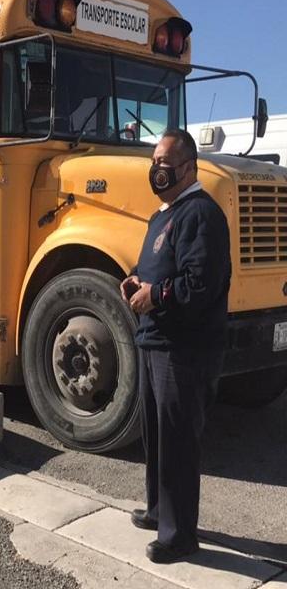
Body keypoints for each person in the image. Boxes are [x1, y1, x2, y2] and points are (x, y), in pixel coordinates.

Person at [121, 129, 231, 564]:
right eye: (154, 162)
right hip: (155, 341)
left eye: (165, 163)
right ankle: (157, 513)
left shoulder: (201, 215)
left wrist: (155, 296)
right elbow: (154, 265)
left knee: (179, 442)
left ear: (189, 167)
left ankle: (180, 535)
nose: (157, 170)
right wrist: (133, 279)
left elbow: (199, 284)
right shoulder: (163, 214)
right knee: (157, 438)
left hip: (183, 348)